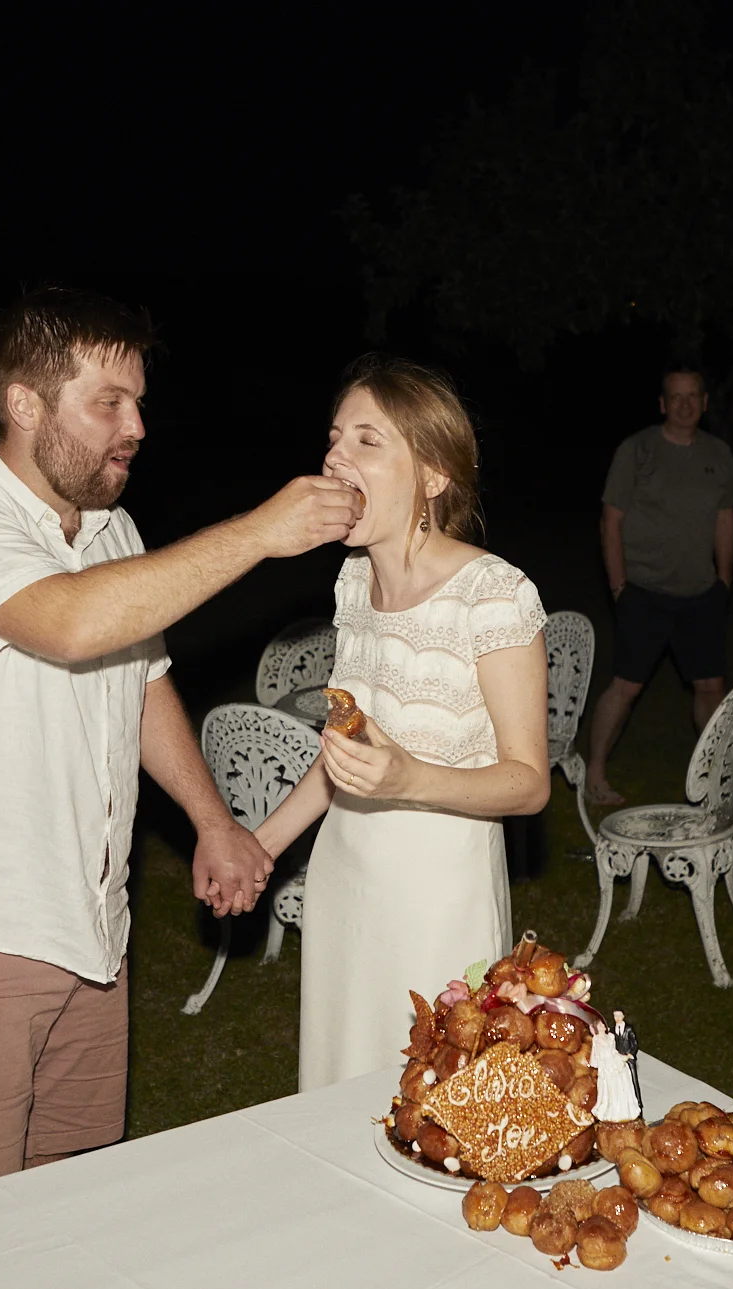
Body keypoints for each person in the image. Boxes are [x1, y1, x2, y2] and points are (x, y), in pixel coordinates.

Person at [0, 287, 363, 1199]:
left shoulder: (111, 530)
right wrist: (258, 533)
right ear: (24, 404)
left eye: (138, 400)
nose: (137, 424)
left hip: (90, 928)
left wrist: (213, 820)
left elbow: (142, 679)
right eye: (108, 402)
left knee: (69, 1199)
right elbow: (71, 624)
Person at [253, 355, 551, 1092]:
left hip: (436, 897)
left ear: (434, 475)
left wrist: (409, 776)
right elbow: (346, 754)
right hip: (343, 879)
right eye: (334, 437)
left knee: (435, 1102)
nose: (334, 456)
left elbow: (529, 783)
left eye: (366, 440)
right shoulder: (352, 583)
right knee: (340, 1081)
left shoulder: (495, 594)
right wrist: (258, 848)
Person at [586, 366, 733, 805]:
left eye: (693, 396)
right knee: (626, 687)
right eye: (675, 396)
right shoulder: (637, 450)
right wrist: (619, 586)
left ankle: (717, 772)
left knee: (710, 687)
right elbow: (611, 521)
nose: (685, 404)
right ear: (662, 404)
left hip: (701, 593)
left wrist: (724, 578)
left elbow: (725, 517)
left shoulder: (718, 453)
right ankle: (595, 772)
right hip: (644, 590)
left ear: (705, 402)